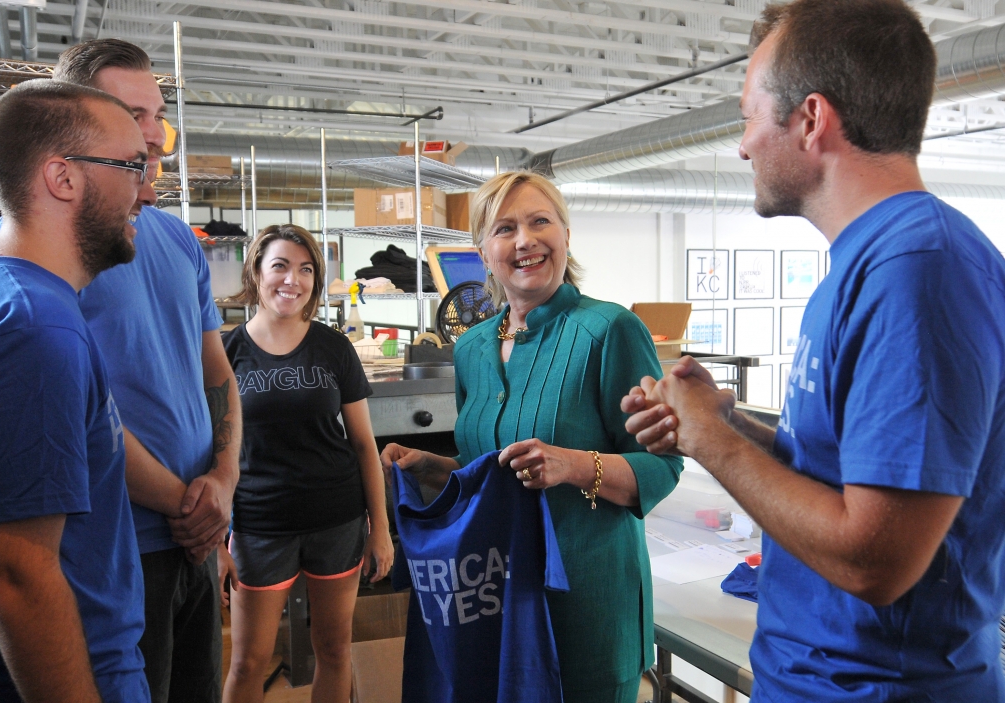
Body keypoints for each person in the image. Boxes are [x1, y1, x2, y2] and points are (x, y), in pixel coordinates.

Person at [623, 1, 1005, 700]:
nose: (742, 146)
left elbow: (875, 561)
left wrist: (711, 439)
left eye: (748, 117)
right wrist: (724, 424)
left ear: (810, 119)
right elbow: (841, 472)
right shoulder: (866, 263)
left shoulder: (920, 268)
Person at [382, 171, 683, 703]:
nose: (525, 240)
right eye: (505, 228)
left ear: (565, 236)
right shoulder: (473, 347)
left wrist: (571, 465)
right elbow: (492, 474)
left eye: (540, 221)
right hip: (501, 599)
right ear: (483, 250)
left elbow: (662, 466)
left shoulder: (609, 330)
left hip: (589, 602)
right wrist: (434, 467)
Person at [54, 39, 241, 703]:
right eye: (133, 113)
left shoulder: (170, 238)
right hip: (118, 541)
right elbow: (80, 410)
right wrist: (186, 502)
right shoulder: (53, 249)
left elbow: (216, 372)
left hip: (197, 536)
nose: (154, 132)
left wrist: (223, 480)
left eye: (157, 112)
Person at [0, 80, 149, 702]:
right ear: (63, 177)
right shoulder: (36, 327)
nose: (147, 188)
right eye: (131, 166)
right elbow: (19, 572)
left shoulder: (9, 297)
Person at [221, 224, 394, 703]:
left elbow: (363, 444)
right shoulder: (226, 351)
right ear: (257, 272)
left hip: (336, 520)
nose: (292, 280)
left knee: (334, 650)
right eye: (279, 265)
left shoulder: (333, 347)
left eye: (306, 270)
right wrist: (218, 539)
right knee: (246, 662)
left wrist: (379, 527)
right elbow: (211, 451)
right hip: (259, 524)